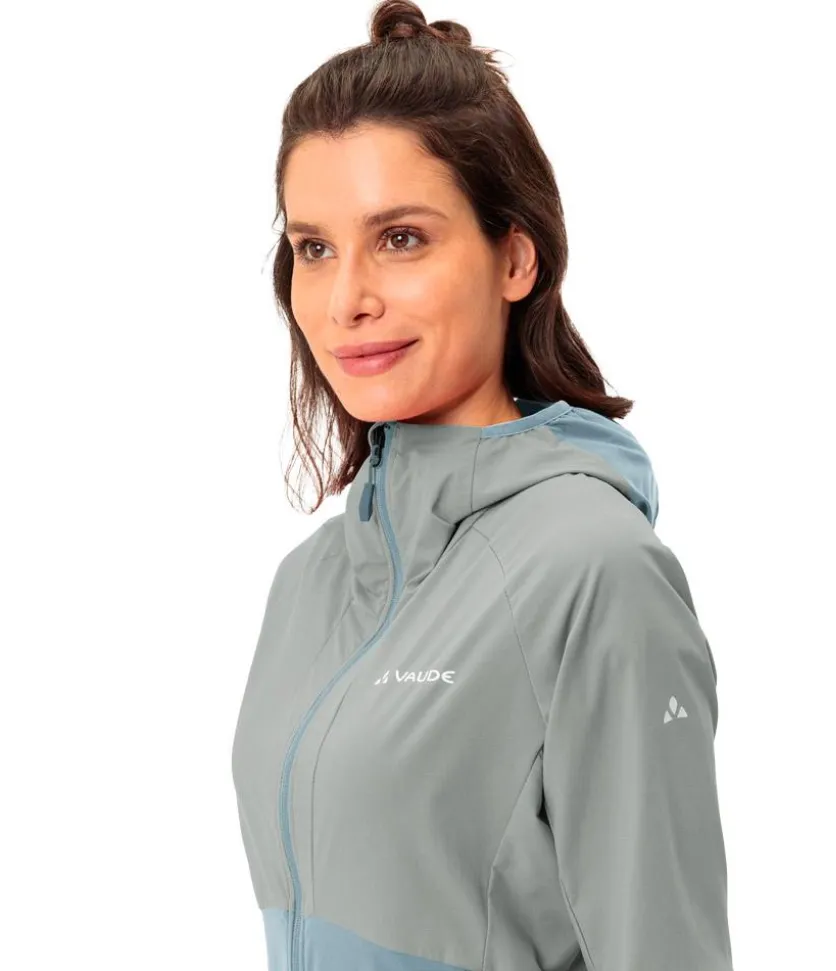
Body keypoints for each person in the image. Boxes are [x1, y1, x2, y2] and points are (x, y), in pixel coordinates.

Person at [231, 2, 734, 969]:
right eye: (315, 248)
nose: (346, 300)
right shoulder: (307, 584)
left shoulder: (596, 570)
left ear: (515, 256)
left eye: (401, 238)